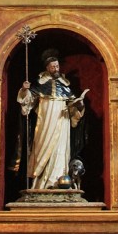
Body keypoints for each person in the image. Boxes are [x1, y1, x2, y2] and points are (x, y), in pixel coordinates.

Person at [17, 51, 88, 189]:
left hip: (63, 121)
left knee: (60, 149)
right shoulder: (40, 84)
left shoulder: (65, 85)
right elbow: (27, 102)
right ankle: (41, 184)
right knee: (43, 147)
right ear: (47, 68)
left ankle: (58, 181)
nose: (56, 69)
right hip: (45, 122)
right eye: (53, 67)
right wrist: (24, 90)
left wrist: (79, 105)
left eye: (57, 66)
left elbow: (73, 108)